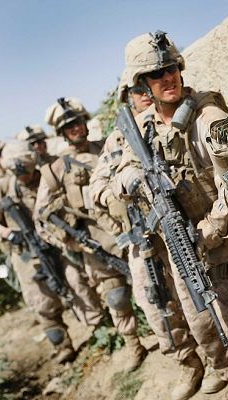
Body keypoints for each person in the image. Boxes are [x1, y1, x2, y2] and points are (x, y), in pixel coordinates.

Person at [112, 30, 228, 400]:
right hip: (182, 243)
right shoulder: (142, 126)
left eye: (171, 68)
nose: (168, 78)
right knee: (203, 324)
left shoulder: (207, 116)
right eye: (156, 74)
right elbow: (119, 173)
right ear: (143, 83)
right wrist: (134, 178)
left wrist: (211, 228)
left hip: (224, 242)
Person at [33, 97, 147, 372]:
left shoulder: (106, 147)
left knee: (153, 287)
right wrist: (69, 242)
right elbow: (41, 218)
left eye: (78, 122)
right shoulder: (55, 170)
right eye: (69, 126)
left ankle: (172, 336)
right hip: (96, 245)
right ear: (62, 132)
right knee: (116, 297)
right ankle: (133, 344)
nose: (76, 128)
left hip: (131, 232)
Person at [0, 140, 104, 363]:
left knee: (76, 281)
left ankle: (99, 325)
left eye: (27, 171)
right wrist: (8, 233)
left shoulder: (46, 176)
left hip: (55, 242)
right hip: (25, 252)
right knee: (42, 301)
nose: (25, 177)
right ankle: (62, 345)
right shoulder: (1, 188)